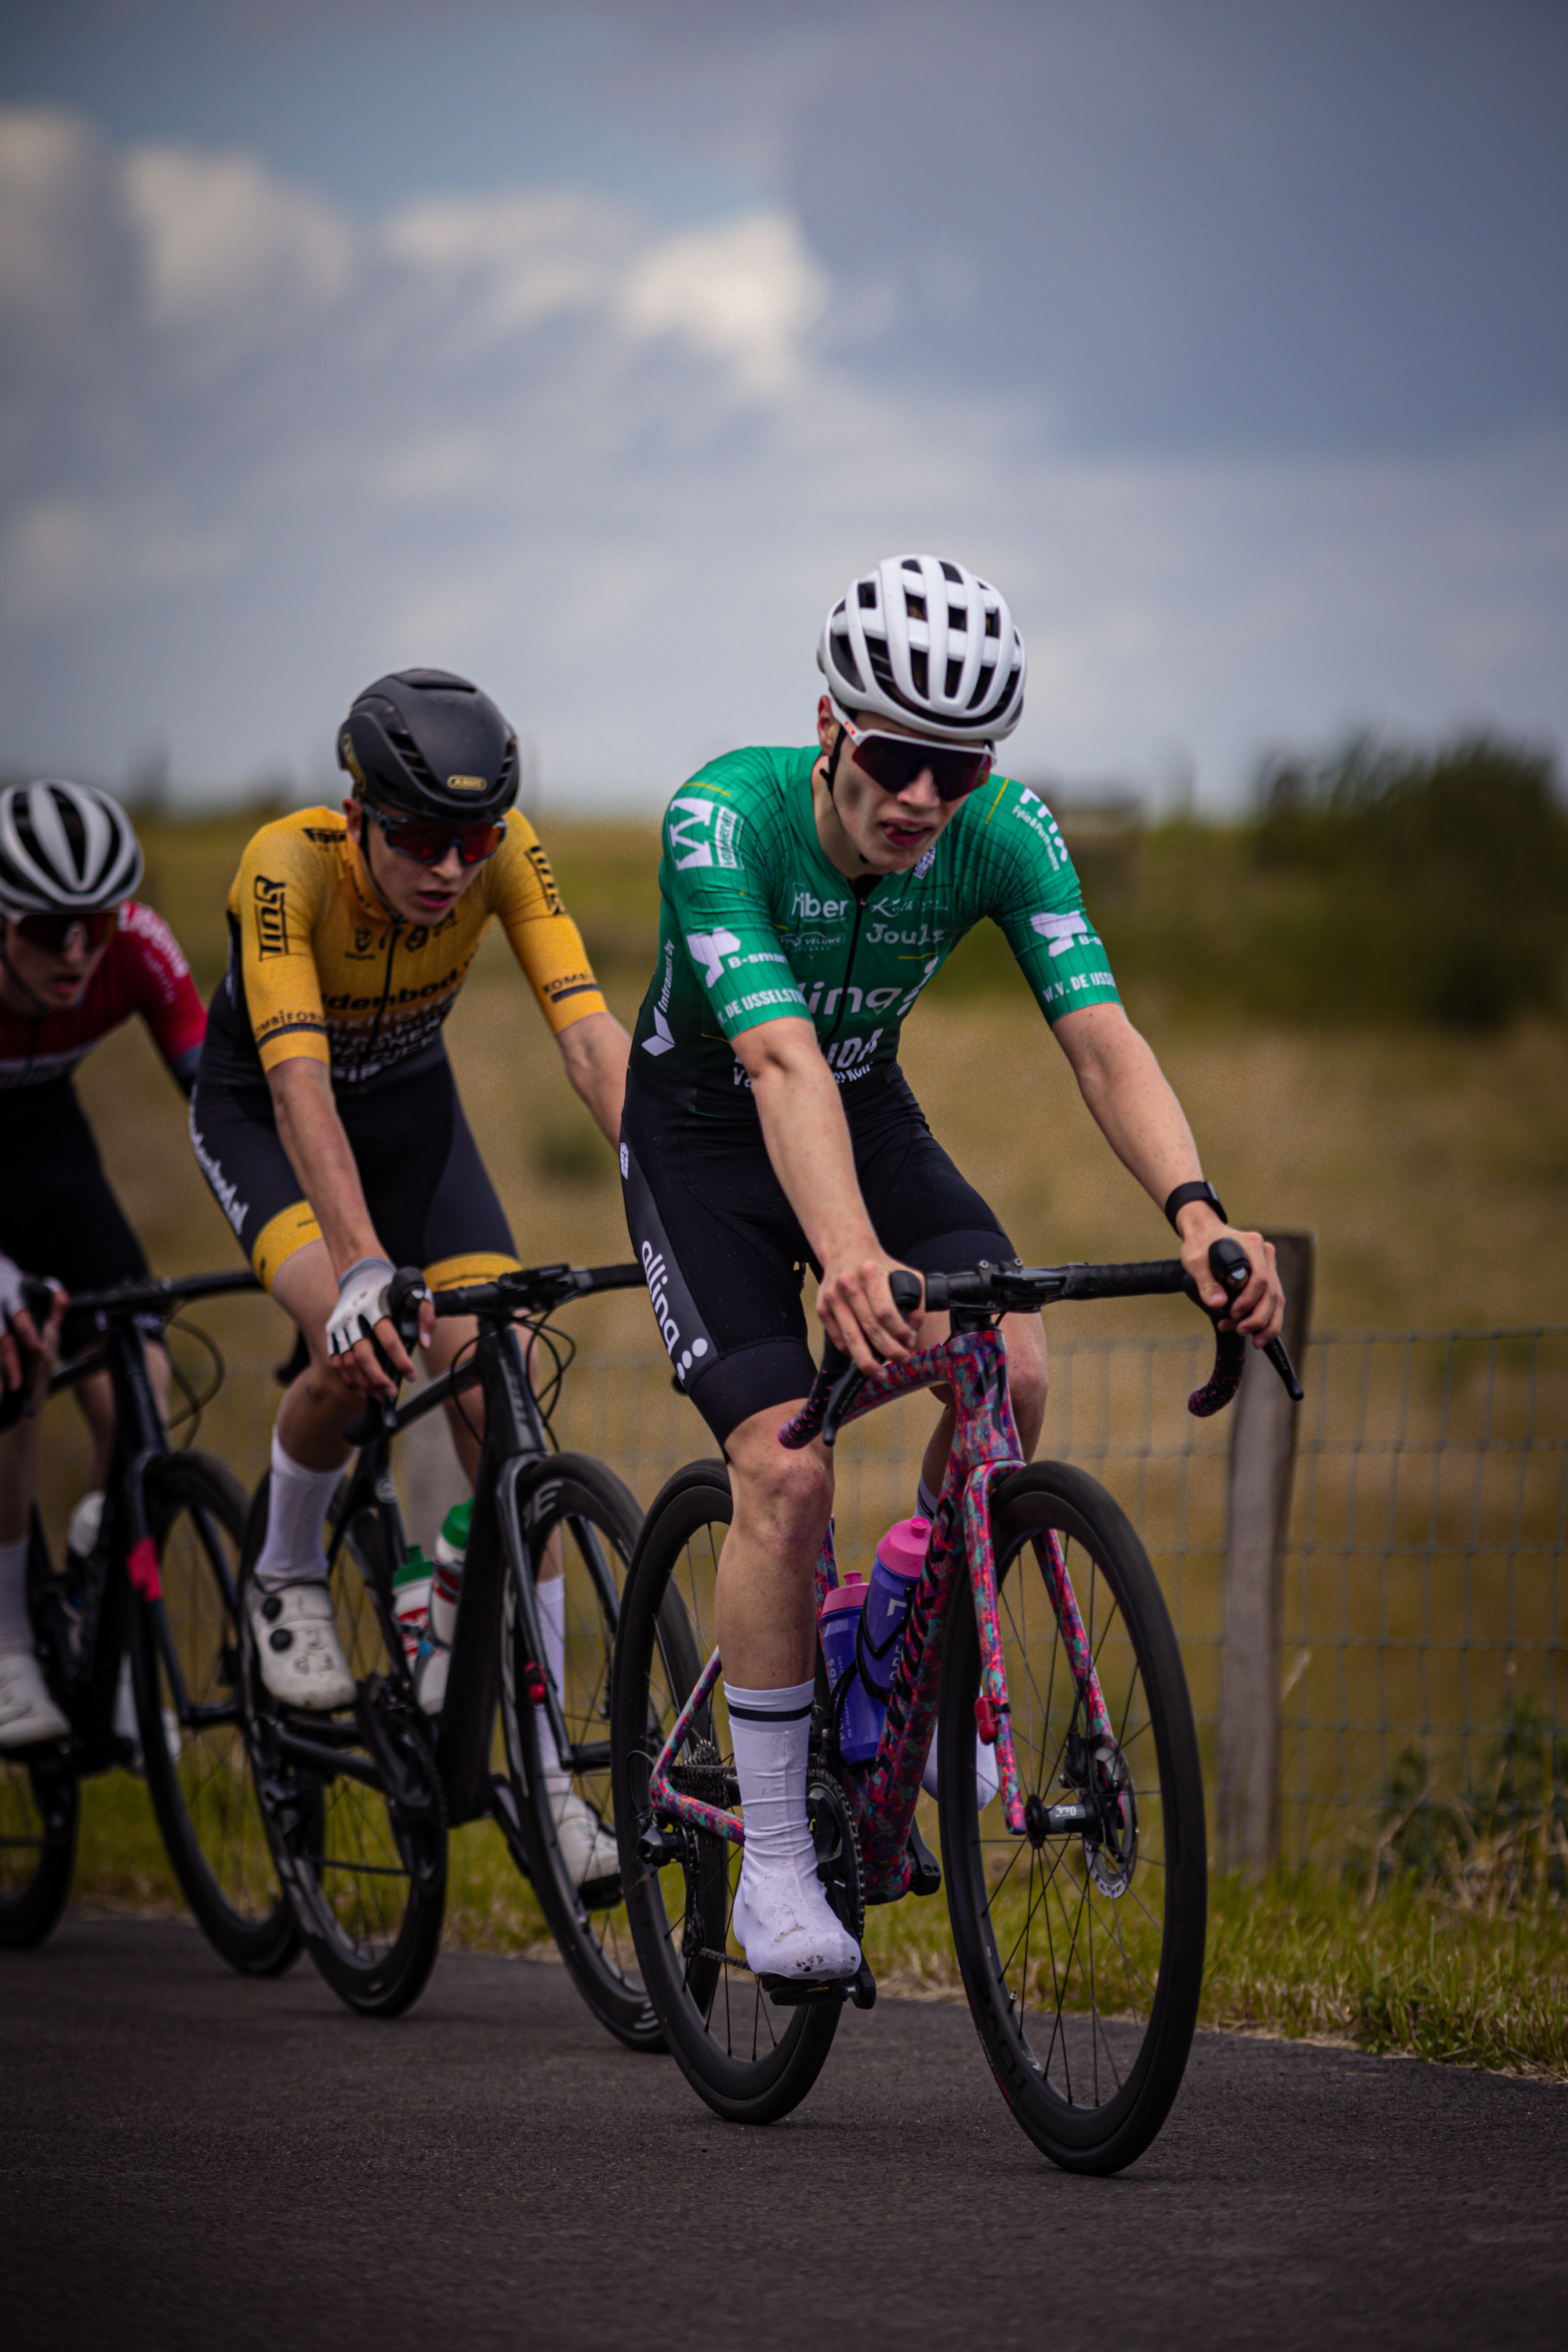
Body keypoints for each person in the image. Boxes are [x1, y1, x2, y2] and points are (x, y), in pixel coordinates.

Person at [621, 552, 1287, 1982]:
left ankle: (886, 1663)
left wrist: (1195, 1208)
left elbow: (1100, 1035)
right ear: (828, 728)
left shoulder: (1005, 830)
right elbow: (779, 1052)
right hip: (706, 1140)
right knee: (786, 1475)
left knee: (1011, 1367)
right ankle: (779, 1872)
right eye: (894, 756)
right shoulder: (717, 822)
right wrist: (848, 1257)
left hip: (862, 1109)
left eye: (958, 766)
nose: (924, 796)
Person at [188, 666, 630, 1883]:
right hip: (271, 1122)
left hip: (416, 1123)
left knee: (507, 1396)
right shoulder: (288, 866)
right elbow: (297, 1086)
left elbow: (589, 1032)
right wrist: (362, 1268)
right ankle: (283, 1569)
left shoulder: (502, 855)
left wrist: (670, 1192)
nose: (451, 868)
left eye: (472, 840)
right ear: (359, 811)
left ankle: (548, 1788)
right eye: (422, 840)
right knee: (359, 1346)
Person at [0, 780, 206, 1747]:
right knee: (14, 1364)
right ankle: (7, 1648)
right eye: (48, 930)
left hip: (52, 1147)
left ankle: (102, 1627)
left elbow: (221, 1112)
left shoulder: (139, 948)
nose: (76, 953)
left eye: (91, 924)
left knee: (142, 1379)